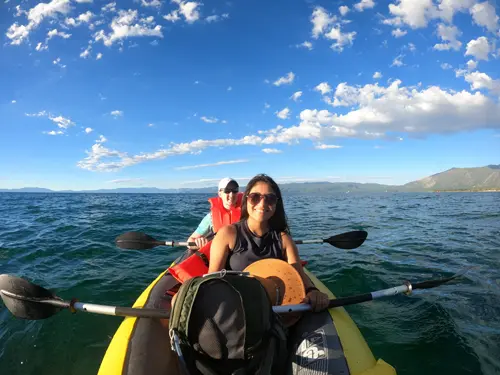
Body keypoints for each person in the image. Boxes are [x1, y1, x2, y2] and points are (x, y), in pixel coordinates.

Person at [209, 173, 329, 312]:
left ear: (276, 203)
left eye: (270, 198)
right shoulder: (228, 234)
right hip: (236, 311)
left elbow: (298, 274)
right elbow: (213, 281)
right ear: (246, 200)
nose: (262, 203)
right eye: (255, 197)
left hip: (274, 312)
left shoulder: (284, 240)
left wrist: (312, 290)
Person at [186, 177, 242, 249]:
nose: (231, 195)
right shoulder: (210, 218)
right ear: (220, 193)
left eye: (235, 190)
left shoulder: (248, 211)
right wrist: (198, 243)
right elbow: (190, 241)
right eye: (227, 191)